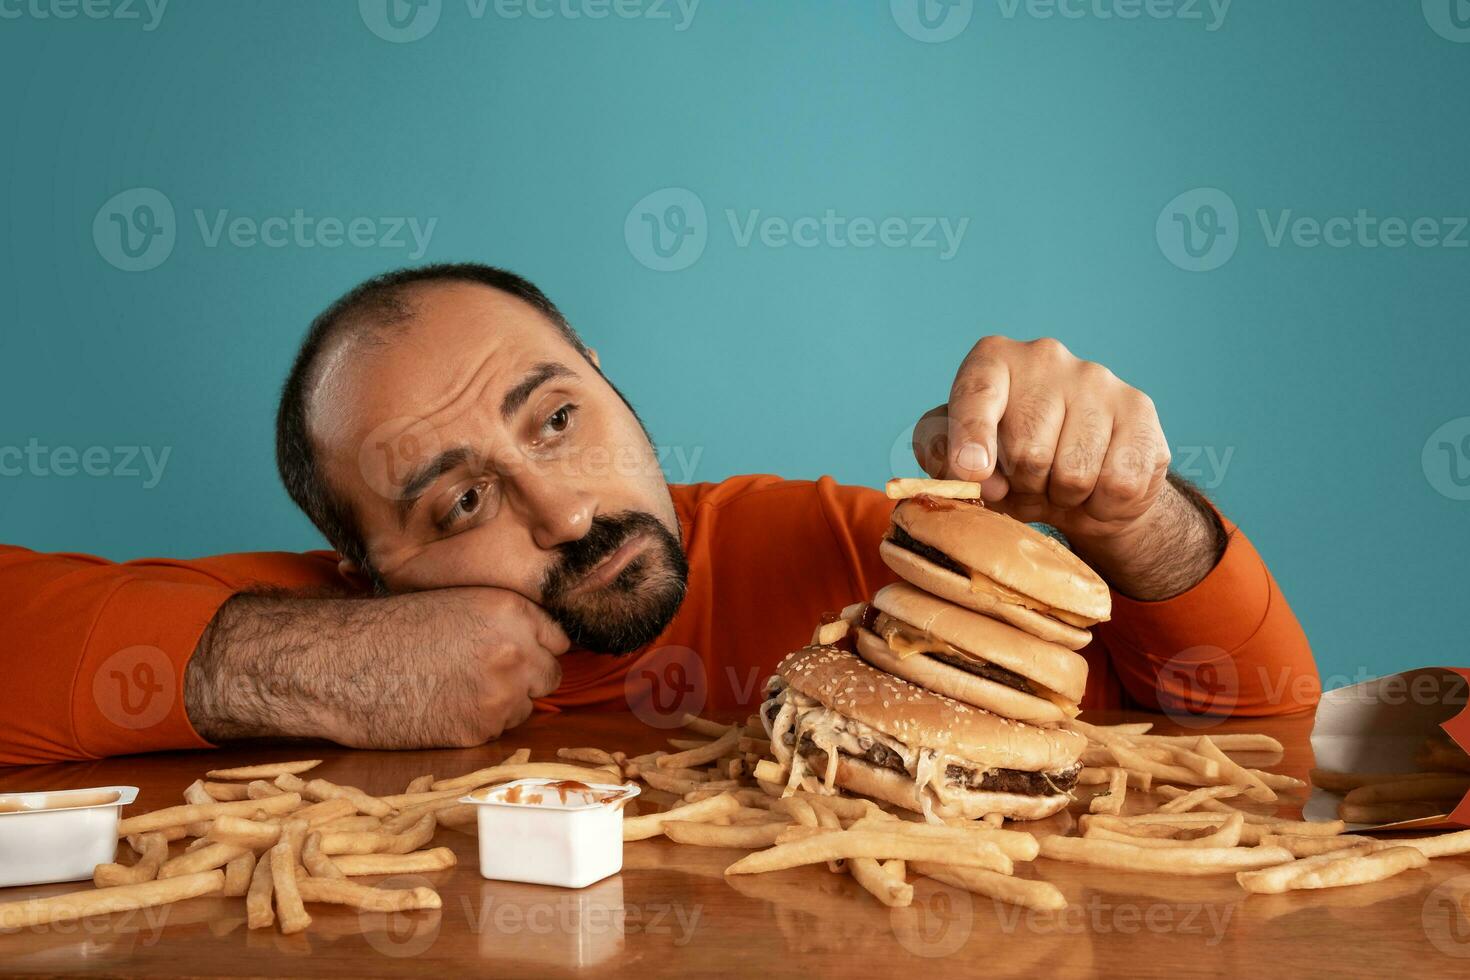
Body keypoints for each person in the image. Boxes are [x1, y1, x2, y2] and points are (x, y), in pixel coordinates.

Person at [0, 264, 1318, 765]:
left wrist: (1129, 516)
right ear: (362, 565)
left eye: (556, 417)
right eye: (460, 499)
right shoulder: (312, 623)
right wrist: (296, 662)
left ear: (619, 397)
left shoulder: (855, 552)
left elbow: (1267, 731)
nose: (565, 509)